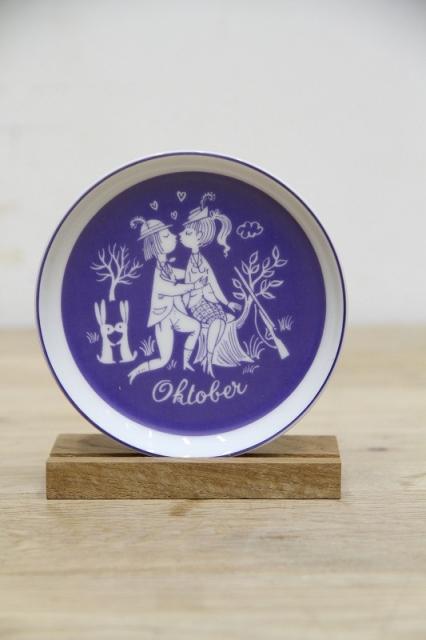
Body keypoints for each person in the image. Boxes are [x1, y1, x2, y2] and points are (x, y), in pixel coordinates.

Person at [128, 216, 206, 384]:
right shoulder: (154, 272)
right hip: (163, 319)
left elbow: (180, 274)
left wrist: (195, 272)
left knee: (196, 326)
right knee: (164, 360)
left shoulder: (166, 267)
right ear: (155, 244)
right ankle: (136, 371)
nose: (174, 235)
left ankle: (186, 362)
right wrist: (194, 285)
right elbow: (171, 289)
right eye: (166, 235)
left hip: (175, 314)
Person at [179, 193, 243, 377]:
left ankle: (209, 358)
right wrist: (187, 301)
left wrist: (227, 303)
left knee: (222, 320)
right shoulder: (192, 260)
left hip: (209, 302)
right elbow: (188, 285)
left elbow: (214, 285)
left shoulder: (201, 260)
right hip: (196, 303)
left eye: (187, 233)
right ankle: (208, 359)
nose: (181, 235)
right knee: (219, 320)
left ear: (199, 236)